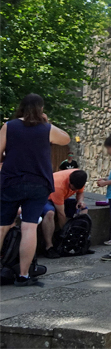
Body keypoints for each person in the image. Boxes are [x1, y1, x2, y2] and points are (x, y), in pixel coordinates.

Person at [0, 94, 70, 286]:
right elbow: (66, 139)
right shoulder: (46, 128)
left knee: (2, 225)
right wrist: (47, 121)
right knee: (29, 227)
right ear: (40, 108)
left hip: (11, 182)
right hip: (38, 183)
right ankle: (23, 275)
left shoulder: (9, 126)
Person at [41, 168, 88, 258]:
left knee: (83, 209)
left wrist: (80, 201)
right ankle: (49, 247)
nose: (73, 190)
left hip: (63, 198)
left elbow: (80, 193)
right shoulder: (58, 185)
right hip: (45, 198)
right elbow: (61, 214)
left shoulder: (80, 177)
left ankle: (80, 241)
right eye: (72, 188)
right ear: (69, 181)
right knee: (50, 213)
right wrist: (65, 235)